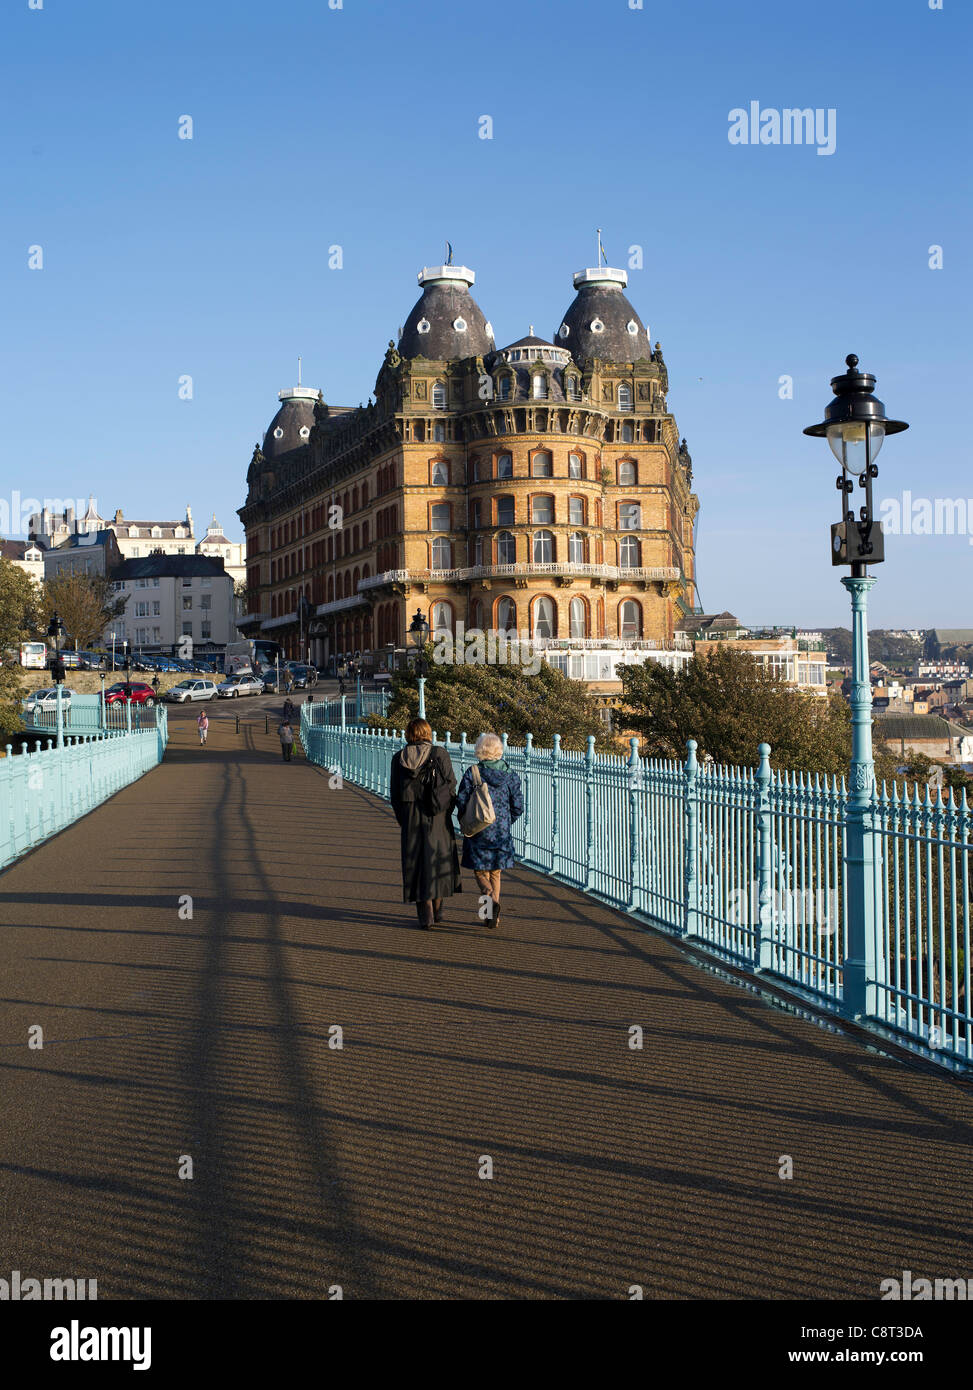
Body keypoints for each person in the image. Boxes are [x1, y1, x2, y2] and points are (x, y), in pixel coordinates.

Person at [389, 717, 461, 929]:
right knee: (438, 858)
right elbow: (450, 784)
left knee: (415, 861)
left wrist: (403, 819)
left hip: (410, 814)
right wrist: (446, 810)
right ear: (428, 733)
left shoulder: (398, 758)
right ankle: (438, 906)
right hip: (437, 814)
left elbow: (394, 793)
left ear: (408, 735)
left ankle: (425, 912)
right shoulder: (439, 753)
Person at [455, 732, 524, 931]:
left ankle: (487, 897)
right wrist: (507, 820)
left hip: (479, 828)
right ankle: (491, 913)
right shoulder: (510, 775)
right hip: (501, 830)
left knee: (480, 871)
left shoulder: (473, 772)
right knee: (495, 871)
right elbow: (518, 805)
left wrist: (464, 819)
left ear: (480, 750)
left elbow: (461, 800)